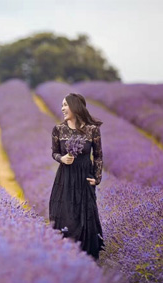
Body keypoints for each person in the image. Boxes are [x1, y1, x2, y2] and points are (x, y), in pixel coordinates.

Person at [49, 93, 105, 260]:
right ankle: (66, 257)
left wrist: (97, 178)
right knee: (65, 215)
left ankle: (88, 259)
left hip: (84, 179)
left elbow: (99, 156)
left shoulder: (92, 130)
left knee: (86, 218)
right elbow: (54, 153)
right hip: (65, 178)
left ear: (75, 106)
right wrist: (62, 159)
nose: (62, 108)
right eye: (62, 105)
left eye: (65, 105)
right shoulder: (58, 129)